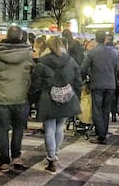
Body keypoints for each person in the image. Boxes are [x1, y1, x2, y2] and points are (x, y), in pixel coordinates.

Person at [0, 25, 35, 172]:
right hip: (21, 98)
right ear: (21, 37)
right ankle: (16, 156)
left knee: (2, 130)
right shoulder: (29, 54)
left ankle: (4, 161)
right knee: (18, 129)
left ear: (6, 36)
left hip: (0, 98)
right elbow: (35, 75)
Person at [30, 37, 82, 174]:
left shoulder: (42, 63)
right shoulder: (70, 61)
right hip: (66, 97)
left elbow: (35, 85)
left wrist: (34, 100)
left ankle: (51, 159)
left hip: (47, 99)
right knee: (60, 127)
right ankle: (56, 152)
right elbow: (78, 81)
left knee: (49, 129)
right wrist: (76, 95)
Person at [81, 31, 119, 145]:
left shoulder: (92, 52)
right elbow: (116, 69)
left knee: (97, 110)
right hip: (110, 85)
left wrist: (85, 77)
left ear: (96, 39)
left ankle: (101, 135)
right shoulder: (113, 53)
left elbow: (83, 68)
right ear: (105, 39)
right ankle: (102, 132)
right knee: (106, 110)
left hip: (97, 84)